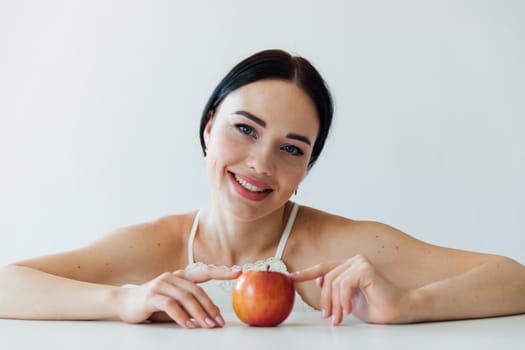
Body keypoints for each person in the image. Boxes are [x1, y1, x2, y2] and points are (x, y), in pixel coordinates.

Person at [1, 49, 524, 329]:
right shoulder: (157, 247)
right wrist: (123, 299)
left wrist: (407, 304)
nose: (260, 164)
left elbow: (515, 279)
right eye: (245, 129)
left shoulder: (339, 251)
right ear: (209, 126)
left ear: (308, 166)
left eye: (292, 149)